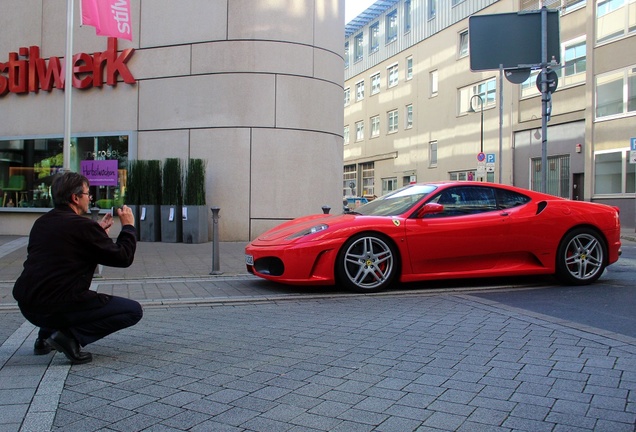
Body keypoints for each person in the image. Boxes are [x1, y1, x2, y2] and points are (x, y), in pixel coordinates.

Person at [13, 172, 142, 364]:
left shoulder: (42, 222)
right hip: (57, 305)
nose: (89, 198)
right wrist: (128, 228)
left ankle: (44, 338)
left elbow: (67, 249)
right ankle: (69, 337)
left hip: (28, 305)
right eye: (87, 194)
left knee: (52, 286)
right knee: (133, 311)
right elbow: (123, 258)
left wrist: (97, 232)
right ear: (75, 198)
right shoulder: (82, 227)